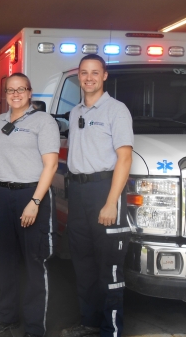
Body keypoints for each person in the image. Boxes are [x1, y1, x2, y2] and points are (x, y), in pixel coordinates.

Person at [60, 54, 133, 337]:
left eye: (94, 72)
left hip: (104, 192)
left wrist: (111, 202)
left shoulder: (116, 110)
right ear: (79, 76)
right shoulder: (76, 111)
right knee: (84, 265)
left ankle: (110, 330)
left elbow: (124, 159)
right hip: (78, 194)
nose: (88, 77)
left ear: (104, 76)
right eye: (83, 73)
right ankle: (89, 322)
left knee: (108, 269)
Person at [0, 73, 59, 337]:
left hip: (31, 194)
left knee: (34, 263)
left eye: (21, 89)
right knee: (4, 261)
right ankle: (7, 318)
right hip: (3, 196)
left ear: (30, 92)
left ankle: (35, 328)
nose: (15, 94)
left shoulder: (43, 121)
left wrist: (35, 202)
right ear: (5, 95)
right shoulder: (1, 121)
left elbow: (50, 165)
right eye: (10, 90)